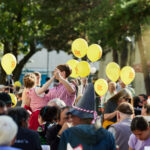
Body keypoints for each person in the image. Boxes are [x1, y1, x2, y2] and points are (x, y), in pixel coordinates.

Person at [58, 83, 116, 150]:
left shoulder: (69, 133)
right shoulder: (108, 136)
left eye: (73, 116)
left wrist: (59, 134)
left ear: (78, 117)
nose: (71, 119)